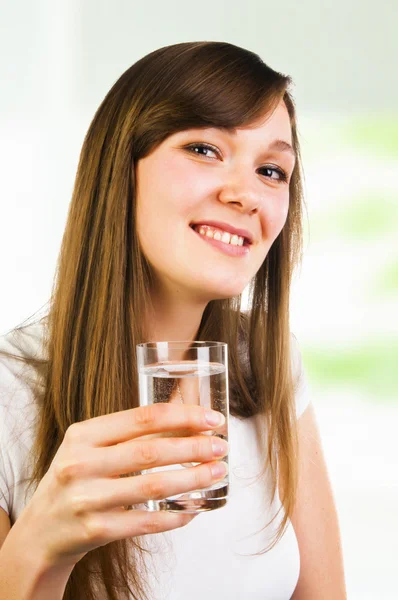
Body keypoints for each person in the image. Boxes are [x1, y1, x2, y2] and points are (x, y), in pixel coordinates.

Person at [0, 41, 346, 599]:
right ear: (120, 169)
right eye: (205, 149)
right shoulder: (9, 391)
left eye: (271, 170)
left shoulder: (270, 361)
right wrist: (40, 546)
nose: (247, 195)